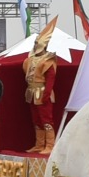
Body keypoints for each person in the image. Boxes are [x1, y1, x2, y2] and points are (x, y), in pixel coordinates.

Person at [23, 18, 60, 154]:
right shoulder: (30, 59)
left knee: (46, 119)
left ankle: (50, 145)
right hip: (31, 92)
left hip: (42, 91)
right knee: (36, 119)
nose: (36, 44)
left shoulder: (49, 60)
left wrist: (47, 93)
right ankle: (39, 144)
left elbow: (50, 78)